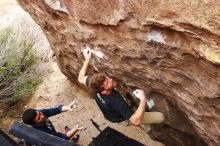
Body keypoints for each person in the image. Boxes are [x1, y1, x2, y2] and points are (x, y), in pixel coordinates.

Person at [78, 47, 165, 125]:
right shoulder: (117, 102)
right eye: (107, 83)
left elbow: (80, 78)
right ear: (103, 90)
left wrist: (87, 59)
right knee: (160, 117)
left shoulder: (93, 85)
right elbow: (135, 121)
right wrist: (143, 100)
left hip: (110, 114)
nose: (111, 80)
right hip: (121, 118)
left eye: (107, 78)